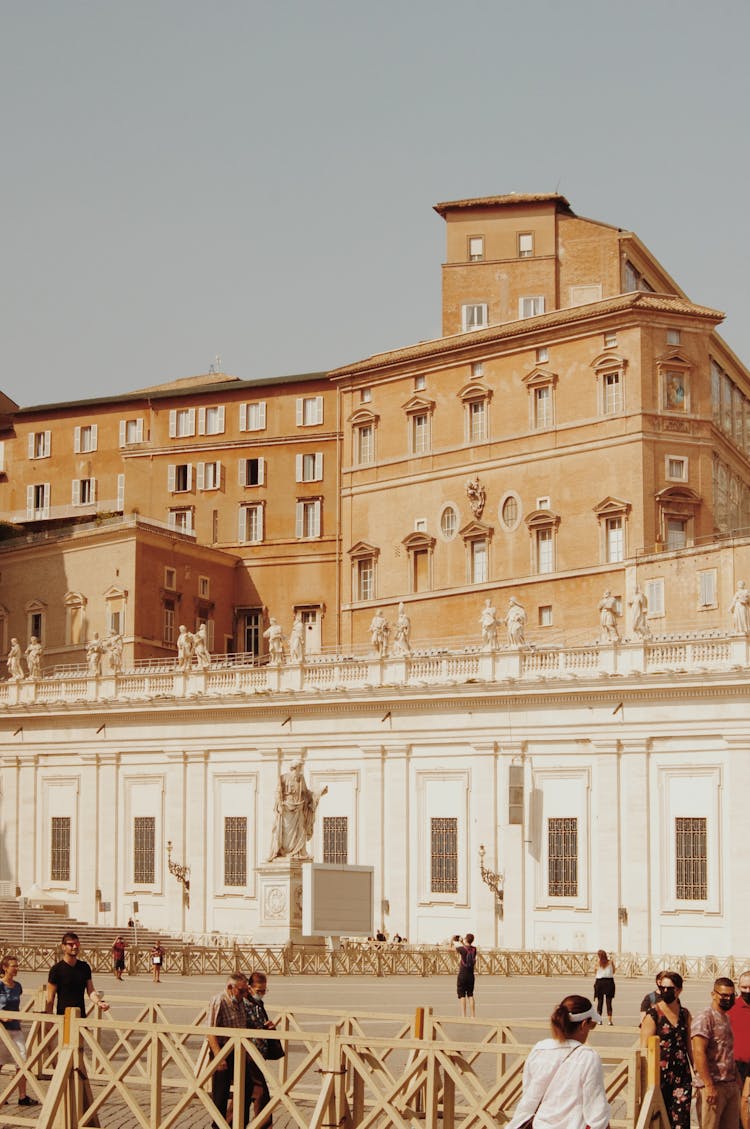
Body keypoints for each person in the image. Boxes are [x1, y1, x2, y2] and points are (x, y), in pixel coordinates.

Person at [506, 994, 610, 1129]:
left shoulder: (539, 1049)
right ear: (583, 1025)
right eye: (591, 1026)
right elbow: (596, 1110)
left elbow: (529, 1094)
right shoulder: (587, 1057)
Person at [640, 971, 693, 1129]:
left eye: (670, 988)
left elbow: (690, 1045)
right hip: (658, 1075)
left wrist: (696, 1071)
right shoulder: (653, 1014)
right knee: (658, 1119)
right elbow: (644, 1047)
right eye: (662, 988)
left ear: (679, 990)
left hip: (682, 1074)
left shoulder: (685, 1014)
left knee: (681, 1119)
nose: (665, 991)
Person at [205, 972, 253, 1129]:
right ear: (230, 987)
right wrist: (219, 1056)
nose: (244, 994)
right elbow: (211, 1030)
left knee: (246, 1088)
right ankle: (218, 1126)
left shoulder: (240, 1000)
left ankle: (238, 1124)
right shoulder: (218, 1000)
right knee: (221, 1093)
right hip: (222, 1051)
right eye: (241, 990)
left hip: (238, 1052)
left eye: (246, 990)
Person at [691, 977, 739, 1129]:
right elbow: (699, 1052)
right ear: (713, 994)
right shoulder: (705, 1017)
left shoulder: (726, 1018)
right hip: (712, 1087)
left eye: (731, 995)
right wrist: (709, 1085)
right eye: (724, 995)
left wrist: (737, 1080)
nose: (728, 999)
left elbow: (727, 1052)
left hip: (729, 1085)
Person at [267, 761, 328, 861]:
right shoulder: (283, 778)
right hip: (287, 809)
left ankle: (300, 852)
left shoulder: (301, 779)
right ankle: (285, 852)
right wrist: (279, 805)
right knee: (285, 833)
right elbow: (278, 792)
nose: (300, 770)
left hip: (299, 809)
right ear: (295, 768)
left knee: (301, 829)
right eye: (299, 768)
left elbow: (307, 793)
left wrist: (319, 793)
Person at [0, 954, 37, 1106]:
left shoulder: (18, 986)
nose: (16, 968)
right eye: (13, 966)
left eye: (17, 965)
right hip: (2, 1029)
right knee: (0, 1062)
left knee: (22, 1061)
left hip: (15, 1028)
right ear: (5, 968)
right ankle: (3, 1096)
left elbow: (16, 1004)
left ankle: (22, 1095)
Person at [46, 931, 110, 1017]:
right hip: (63, 1018)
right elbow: (50, 997)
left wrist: (99, 1002)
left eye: (77, 944)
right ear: (63, 947)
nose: (75, 947)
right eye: (71, 944)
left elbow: (91, 991)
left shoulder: (84, 967)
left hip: (80, 1017)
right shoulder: (56, 970)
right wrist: (49, 1020)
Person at [244, 971, 277, 1126]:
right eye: (259, 991)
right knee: (261, 1093)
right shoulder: (243, 1004)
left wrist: (267, 1026)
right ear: (249, 988)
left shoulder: (258, 1003)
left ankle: (227, 1123)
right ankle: (264, 1125)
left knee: (244, 1094)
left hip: (258, 1053)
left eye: (264, 990)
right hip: (249, 1053)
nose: (262, 994)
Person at [730, 970, 750, 1088]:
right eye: (744, 987)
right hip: (737, 1066)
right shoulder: (731, 1007)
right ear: (738, 987)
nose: (748, 991)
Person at [454, 933, 477, 1018]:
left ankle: (463, 1015)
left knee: (462, 995)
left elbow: (450, 948)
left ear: (466, 939)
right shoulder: (474, 949)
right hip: (471, 975)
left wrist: (451, 940)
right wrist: (463, 942)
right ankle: (473, 1016)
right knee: (470, 995)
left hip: (463, 974)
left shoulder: (461, 949)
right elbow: (468, 949)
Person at [593, 949, 616, 1026]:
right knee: (609, 1002)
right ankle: (609, 1021)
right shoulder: (610, 962)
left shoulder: (597, 963)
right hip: (609, 982)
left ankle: (599, 1020)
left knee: (600, 1002)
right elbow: (614, 971)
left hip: (599, 982)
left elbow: (595, 972)